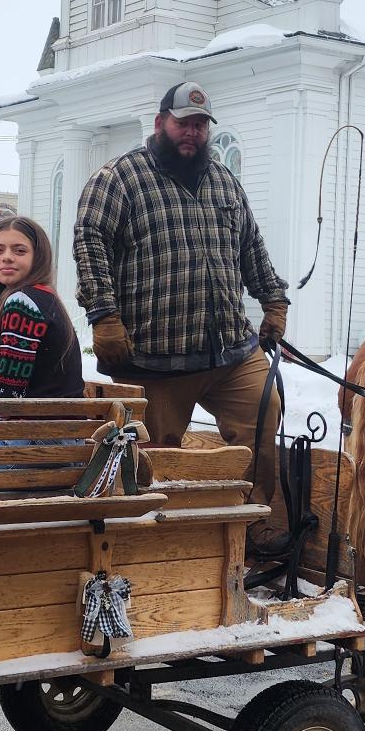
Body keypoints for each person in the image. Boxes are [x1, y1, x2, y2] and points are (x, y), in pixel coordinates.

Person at [74, 81, 291, 545]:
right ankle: (160, 545)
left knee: (264, 410)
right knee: (156, 459)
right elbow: (89, 243)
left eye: (199, 125)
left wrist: (273, 301)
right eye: (182, 123)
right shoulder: (118, 178)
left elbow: (251, 247)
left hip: (230, 349)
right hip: (155, 357)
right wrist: (103, 315)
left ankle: (247, 528)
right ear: (160, 123)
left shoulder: (224, 181)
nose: (191, 132)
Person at [0, 216, 83, 400]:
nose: (7, 257)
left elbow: (7, 398)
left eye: (20, 251)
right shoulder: (43, 298)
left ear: (38, 256)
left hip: (37, 425)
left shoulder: (23, 303)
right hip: (47, 421)